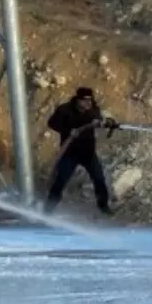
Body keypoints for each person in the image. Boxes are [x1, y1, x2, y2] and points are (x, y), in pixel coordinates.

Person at [44, 87, 117, 215]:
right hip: (70, 153)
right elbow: (51, 123)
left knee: (99, 179)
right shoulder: (64, 110)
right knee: (60, 181)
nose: (88, 103)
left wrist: (108, 122)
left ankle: (103, 206)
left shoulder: (93, 110)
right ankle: (47, 211)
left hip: (88, 153)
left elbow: (98, 120)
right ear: (78, 100)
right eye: (85, 100)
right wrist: (67, 130)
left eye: (90, 100)